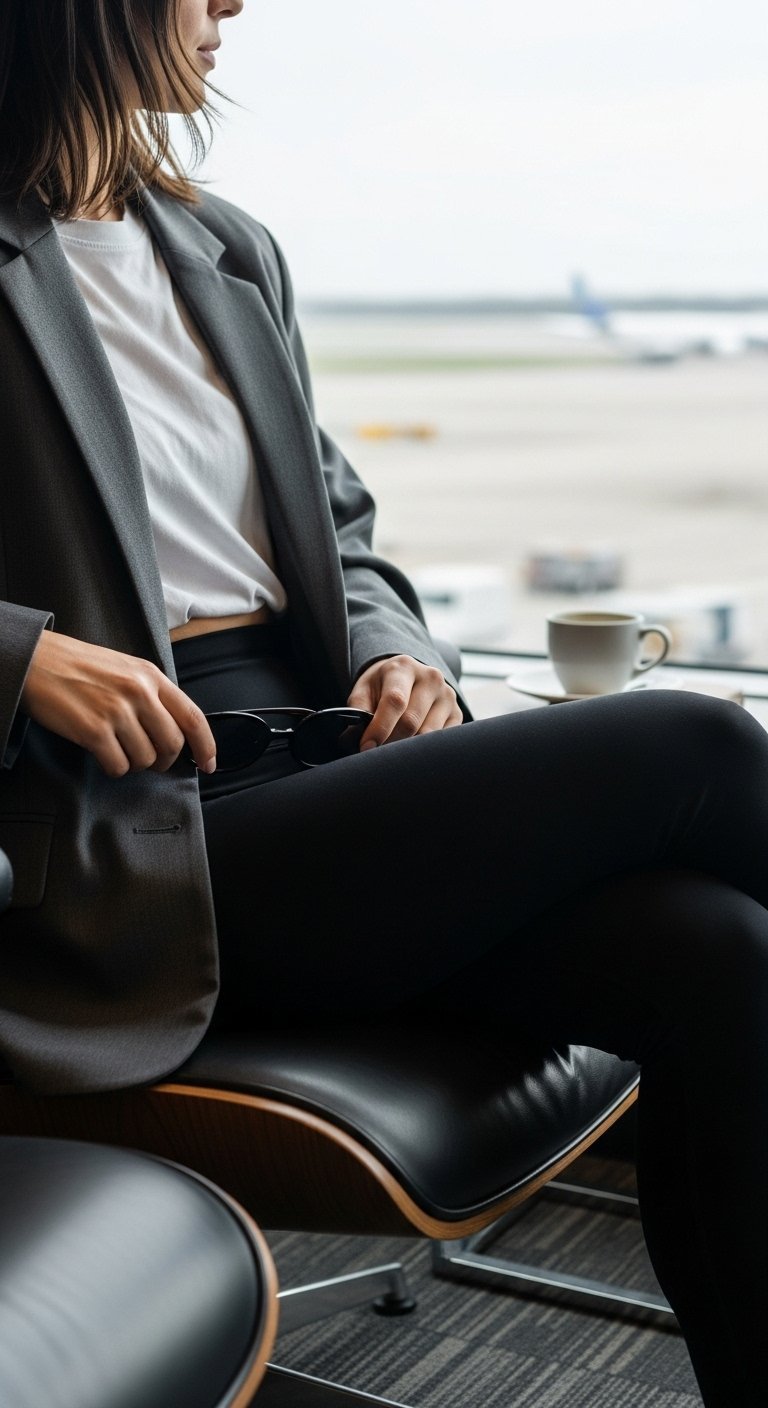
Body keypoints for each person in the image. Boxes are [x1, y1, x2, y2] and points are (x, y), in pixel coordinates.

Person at [0, 3, 765, 1403]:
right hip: (127, 829)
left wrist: (393, 650)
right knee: (698, 740)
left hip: (323, 767)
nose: (235, 5)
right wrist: (18, 656)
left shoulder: (225, 248)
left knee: (720, 953)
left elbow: (341, 536)